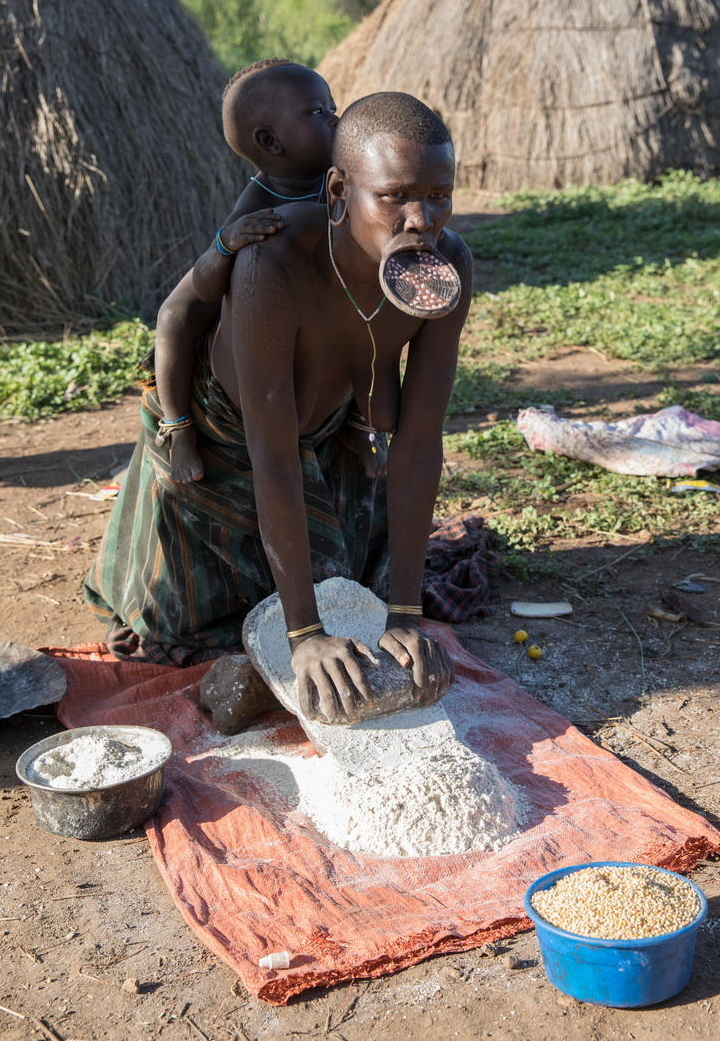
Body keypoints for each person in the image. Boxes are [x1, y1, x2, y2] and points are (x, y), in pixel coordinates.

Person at [84, 91, 471, 725]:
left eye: (438, 195)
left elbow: (419, 442)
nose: (421, 219)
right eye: (395, 196)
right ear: (339, 190)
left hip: (324, 427)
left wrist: (405, 613)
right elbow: (271, 454)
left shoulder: (445, 265)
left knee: (358, 587)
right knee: (185, 621)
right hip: (229, 435)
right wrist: (305, 637)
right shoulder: (274, 260)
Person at [154, 58, 338, 484]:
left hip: (315, 313)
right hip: (237, 303)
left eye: (333, 106)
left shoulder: (343, 177)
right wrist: (228, 242)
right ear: (271, 141)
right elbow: (208, 285)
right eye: (318, 111)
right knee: (173, 318)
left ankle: (363, 428)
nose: (336, 118)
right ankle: (178, 428)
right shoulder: (260, 198)